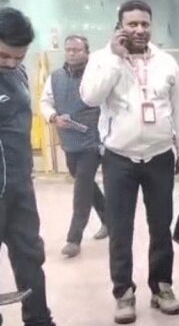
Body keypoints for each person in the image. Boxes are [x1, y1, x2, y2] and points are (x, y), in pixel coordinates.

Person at [80, 0, 179, 323]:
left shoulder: (166, 62)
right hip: (119, 159)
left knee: (161, 226)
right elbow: (90, 97)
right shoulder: (102, 59)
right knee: (120, 229)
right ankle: (123, 293)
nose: (139, 30)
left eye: (144, 24)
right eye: (132, 24)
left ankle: (162, 287)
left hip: (160, 156)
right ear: (120, 26)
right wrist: (116, 59)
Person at [0, 7, 56, 326]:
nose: (11, 63)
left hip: (20, 186)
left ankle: (39, 319)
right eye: (4, 55)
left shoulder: (18, 74)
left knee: (30, 256)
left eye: (18, 57)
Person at [40, 34, 108, 259]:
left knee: (81, 189)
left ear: (87, 52)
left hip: (92, 141)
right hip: (69, 141)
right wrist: (53, 117)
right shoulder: (55, 77)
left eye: (77, 50)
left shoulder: (96, 75)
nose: (71, 53)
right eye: (68, 49)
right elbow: (45, 102)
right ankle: (108, 219)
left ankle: (73, 238)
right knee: (85, 183)